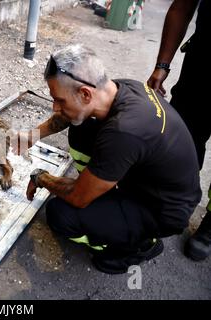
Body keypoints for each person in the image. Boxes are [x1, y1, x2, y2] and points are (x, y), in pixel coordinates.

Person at [18, 44, 202, 274]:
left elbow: (77, 198)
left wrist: (41, 178)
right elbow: (69, 115)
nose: (55, 107)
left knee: (60, 214)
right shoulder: (120, 88)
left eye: (59, 100)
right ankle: (99, 183)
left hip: (162, 210)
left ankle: (139, 246)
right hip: (152, 178)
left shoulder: (123, 132)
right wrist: (32, 136)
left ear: (85, 93)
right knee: (81, 123)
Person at [147, 0, 211, 262]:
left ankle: (209, 227)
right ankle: (174, 201)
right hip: (204, 67)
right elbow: (182, 7)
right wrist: (162, 65)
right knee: (183, 139)